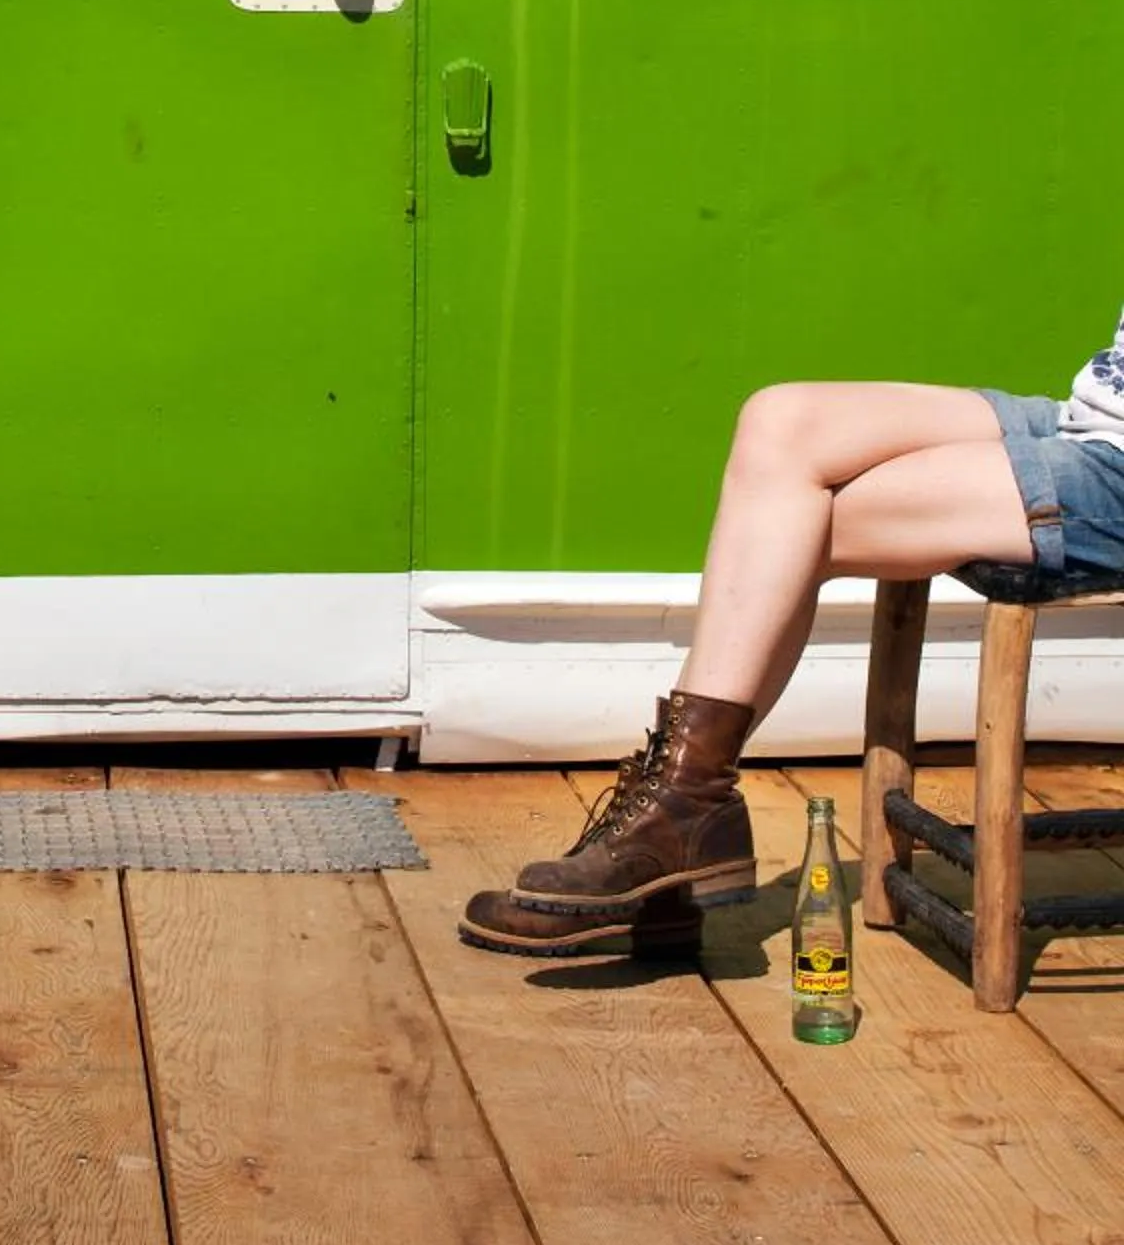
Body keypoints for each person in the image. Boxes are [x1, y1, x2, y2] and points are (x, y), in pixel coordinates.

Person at [461, 328, 1124, 956]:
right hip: (1092, 416)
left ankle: (680, 817)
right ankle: (684, 807)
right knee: (780, 421)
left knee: (792, 519)